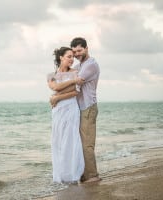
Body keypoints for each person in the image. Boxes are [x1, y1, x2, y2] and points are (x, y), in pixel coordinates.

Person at [50, 37, 101, 183]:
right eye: (74, 52)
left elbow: (75, 87)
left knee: (86, 143)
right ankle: (81, 173)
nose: (77, 54)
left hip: (88, 107)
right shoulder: (79, 66)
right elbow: (64, 81)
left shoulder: (90, 65)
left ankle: (92, 176)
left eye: (79, 51)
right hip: (79, 108)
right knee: (78, 142)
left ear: (86, 48)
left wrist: (57, 97)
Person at [47, 47, 85, 183]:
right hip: (58, 111)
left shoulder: (76, 72)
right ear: (61, 57)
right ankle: (61, 175)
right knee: (58, 140)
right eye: (69, 56)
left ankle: (73, 174)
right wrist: (74, 81)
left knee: (71, 139)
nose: (72, 59)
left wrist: (57, 97)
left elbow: (76, 92)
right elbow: (55, 88)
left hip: (71, 108)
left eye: (72, 57)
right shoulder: (51, 75)